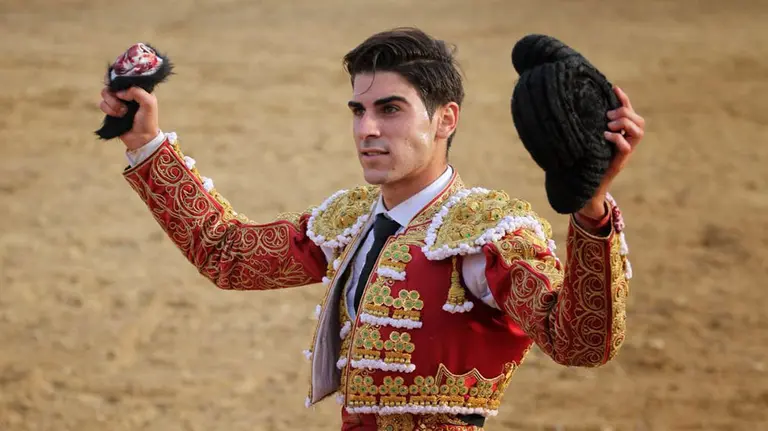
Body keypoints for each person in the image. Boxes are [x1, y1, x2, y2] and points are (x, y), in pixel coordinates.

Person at [98, 27, 644, 431]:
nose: (368, 129)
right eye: (357, 110)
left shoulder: (487, 233)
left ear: (445, 119)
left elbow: (581, 343)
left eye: (391, 109)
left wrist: (591, 208)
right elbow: (230, 255)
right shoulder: (352, 220)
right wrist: (144, 143)